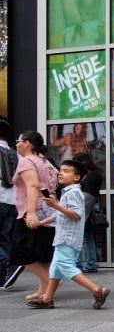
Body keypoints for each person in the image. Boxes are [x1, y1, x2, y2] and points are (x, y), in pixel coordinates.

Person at [25, 160, 109, 309]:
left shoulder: (74, 193)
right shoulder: (68, 192)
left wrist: (55, 205)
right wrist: (40, 222)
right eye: (60, 170)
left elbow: (76, 214)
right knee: (55, 268)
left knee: (65, 266)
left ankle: (97, 290)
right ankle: (47, 299)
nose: (60, 173)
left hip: (68, 238)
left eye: (66, 171)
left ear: (76, 177)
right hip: (63, 237)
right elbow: (59, 215)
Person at [10, 131, 59, 302]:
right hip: (49, 210)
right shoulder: (45, 161)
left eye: (19, 141)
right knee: (41, 252)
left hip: (32, 209)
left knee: (20, 249)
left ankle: (49, 282)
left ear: (28, 143)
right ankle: (43, 290)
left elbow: (33, 186)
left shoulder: (27, 161)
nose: (16, 144)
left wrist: (30, 212)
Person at [73, 152, 102, 273]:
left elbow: (88, 195)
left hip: (86, 208)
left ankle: (80, 264)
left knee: (80, 237)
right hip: (89, 207)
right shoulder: (94, 174)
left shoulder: (91, 175)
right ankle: (91, 263)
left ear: (83, 162)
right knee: (88, 237)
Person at [0, 120, 19, 288]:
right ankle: (6, 272)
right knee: (5, 238)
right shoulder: (15, 153)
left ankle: (4, 272)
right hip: (12, 201)